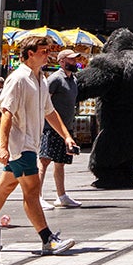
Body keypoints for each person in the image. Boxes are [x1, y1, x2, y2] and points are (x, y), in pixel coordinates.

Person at [0, 33, 81, 257]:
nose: (47, 55)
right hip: (21, 146)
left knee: (4, 189)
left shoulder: (40, 78)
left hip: (31, 143)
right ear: (30, 54)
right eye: (43, 52)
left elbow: (50, 112)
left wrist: (66, 136)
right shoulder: (19, 78)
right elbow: (6, 112)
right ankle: (47, 239)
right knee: (31, 190)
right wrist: (3, 147)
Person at [42, 48, 83, 209]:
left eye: (75, 59)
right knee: (44, 160)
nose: (74, 62)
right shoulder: (55, 79)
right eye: (71, 59)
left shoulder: (73, 80)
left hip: (66, 128)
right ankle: (37, 196)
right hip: (51, 127)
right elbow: (45, 102)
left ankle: (61, 195)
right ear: (61, 61)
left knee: (60, 162)